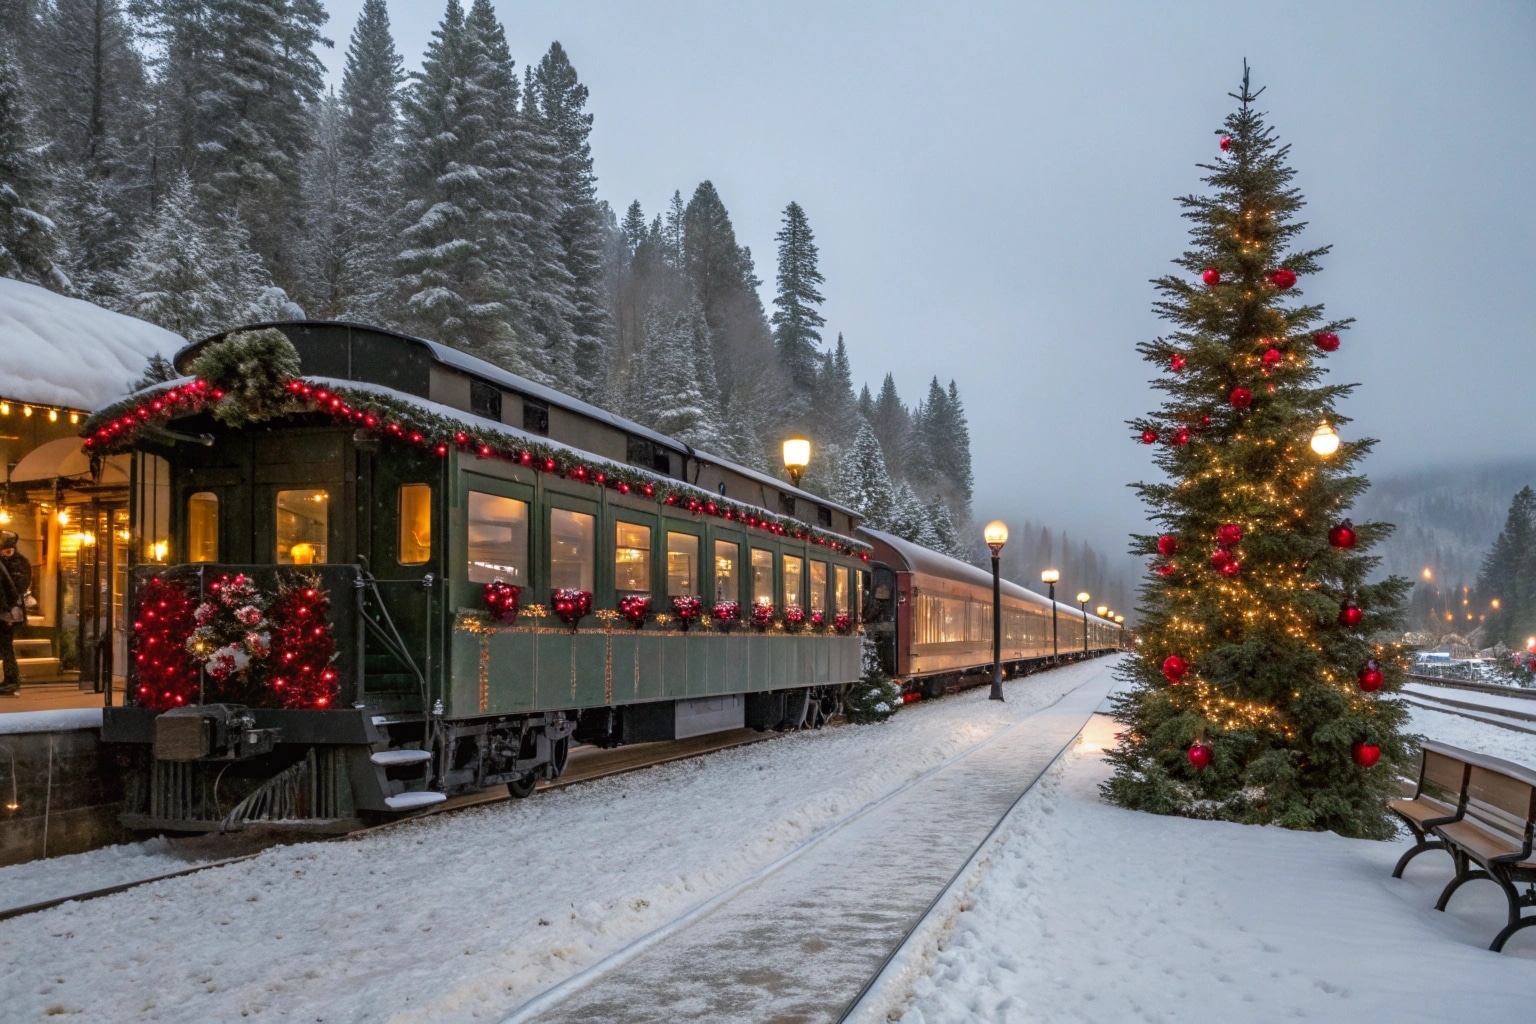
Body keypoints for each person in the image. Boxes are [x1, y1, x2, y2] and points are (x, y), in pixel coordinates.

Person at [0, 530, 31, 697]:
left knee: (6, 647)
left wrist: (8, 611)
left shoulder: (19, 563)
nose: (4, 553)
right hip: (6, 611)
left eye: (6, 551)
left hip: (8, 613)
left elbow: (17, 588)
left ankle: (11, 680)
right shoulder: (14, 562)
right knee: (5, 647)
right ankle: (10, 680)